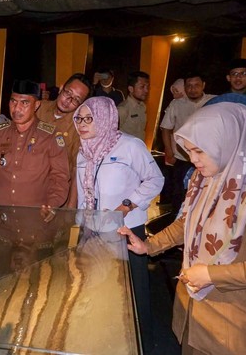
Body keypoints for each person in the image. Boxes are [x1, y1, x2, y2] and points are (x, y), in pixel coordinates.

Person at [119, 102, 246, 355]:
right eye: (189, 151)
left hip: (240, 326)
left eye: (199, 151)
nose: (192, 160)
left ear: (227, 143)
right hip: (195, 315)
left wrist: (211, 275)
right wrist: (149, 245)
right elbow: (189, 223)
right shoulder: (204, 177)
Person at [73, 96, 163, 353]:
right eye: (78, 118)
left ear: (105, 117)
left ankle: (139, 345)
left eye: (88, 118)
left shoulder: (130, 146)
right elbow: (83, 193)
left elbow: (155, 180)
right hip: (93, 230)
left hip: (125, 230)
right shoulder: (83, 149)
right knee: (99, 287)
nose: (82, 124)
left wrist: (125, 207)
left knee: (132, 291)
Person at [0, 79, 70, 209]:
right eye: (13, 101)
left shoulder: (50, 136)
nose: (17, 108)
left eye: (25, 103)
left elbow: (59, 177)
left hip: (35, 216)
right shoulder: (0, 133)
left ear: (37, 105)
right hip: (2, 216)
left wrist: (51, 205)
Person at [160, 72, 216, 217]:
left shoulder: (215, 102)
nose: (192, 89)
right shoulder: (176, 104)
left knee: (207, 194)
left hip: (209, 160)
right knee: (179, 194)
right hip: (183, 158)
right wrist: (169, 151)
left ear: (203, 85)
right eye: (189, 86)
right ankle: (177, 226)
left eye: (196, 85)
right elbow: (166, 128)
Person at [36, 73, 91, 206]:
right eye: (68, 93)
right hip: (30, 189)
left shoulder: (79, 127)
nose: (68, 100)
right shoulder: (38, 108)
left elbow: (76, 170)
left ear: (81, 104)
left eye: (76, 99)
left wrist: (70, 209)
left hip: (57, 196)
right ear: (61, 88)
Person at [118, 71, 150, 142]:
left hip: (138, 149)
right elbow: (112, 133)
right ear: (131, 89)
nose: (146, 90)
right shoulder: (123, 109)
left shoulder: (142, 107)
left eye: (147, 87)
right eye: (142, 87)